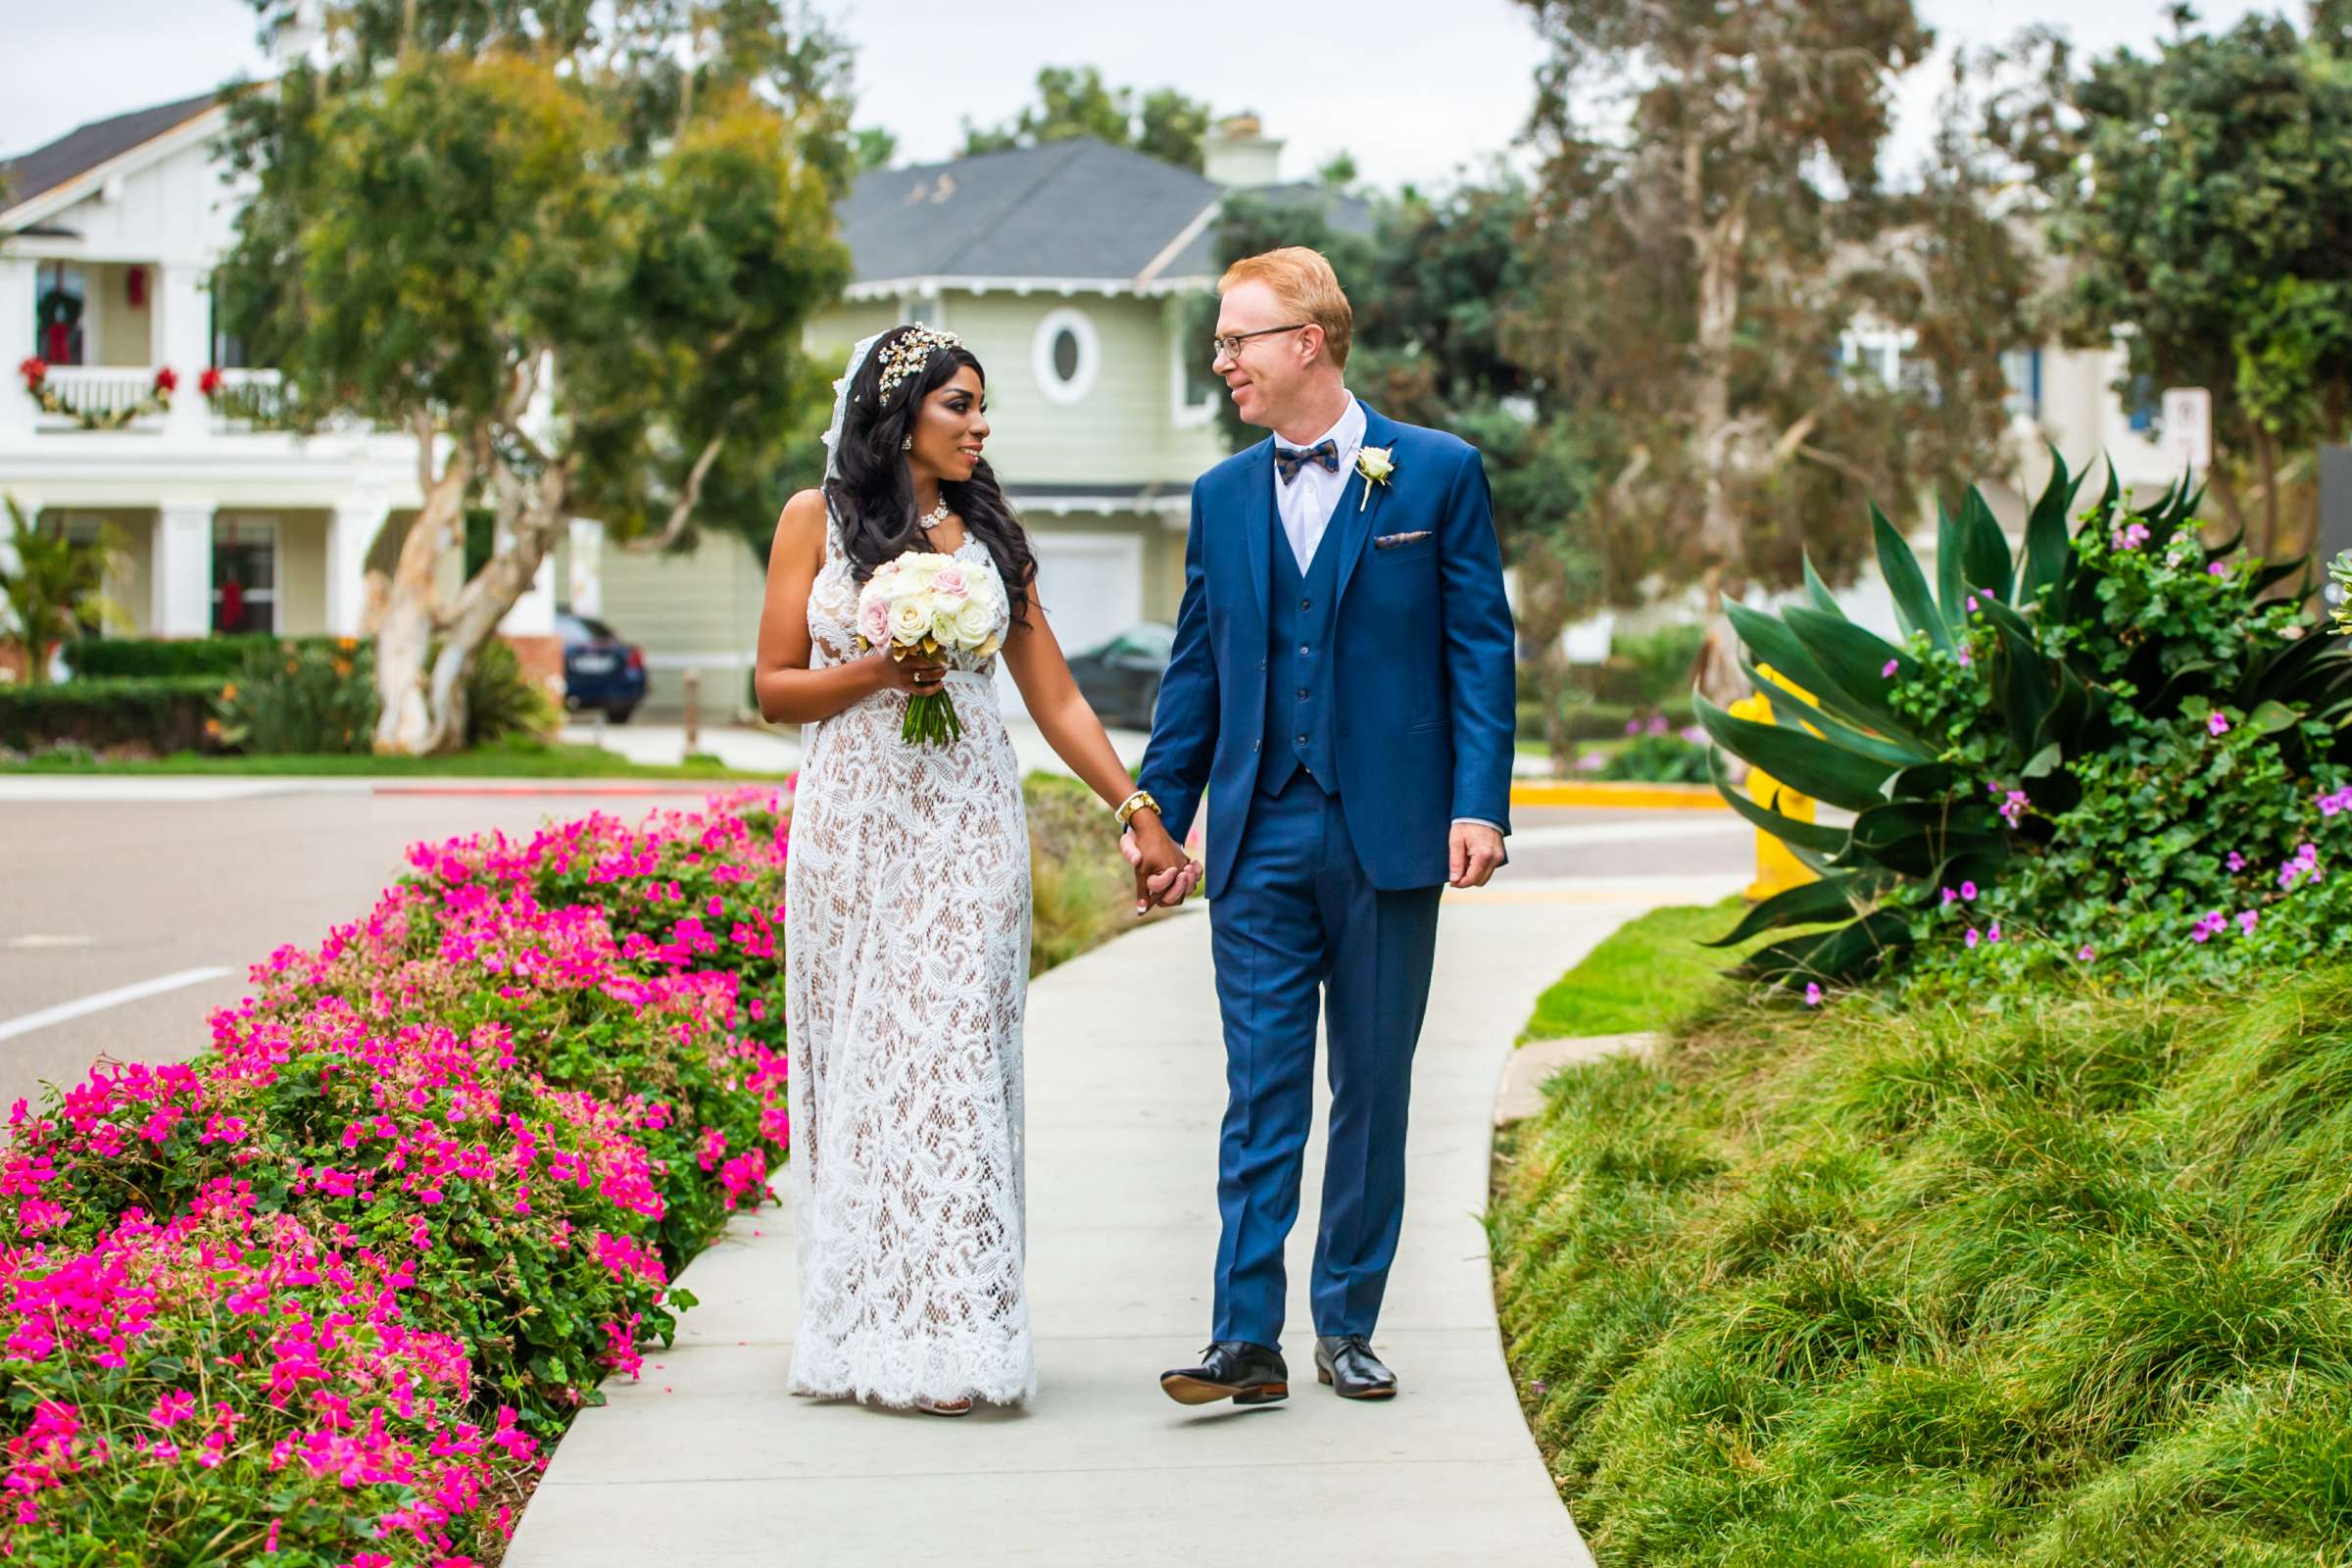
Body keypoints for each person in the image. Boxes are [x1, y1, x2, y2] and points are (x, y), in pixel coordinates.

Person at [753, 325, 1198, 1417]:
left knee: (950, 1061)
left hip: (967, 828)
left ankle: (958, 1328)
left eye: (984, 407)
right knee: (870, 1071)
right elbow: (771, 687)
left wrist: (1138, 811)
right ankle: (870, 1320)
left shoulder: (990, 530)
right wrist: (876, 668)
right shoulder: (813, 520)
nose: (980, 425)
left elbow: (1056, 700)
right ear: (899, 409)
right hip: (853, 831)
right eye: (960, 405)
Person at [1133, 247, 1516, 1406]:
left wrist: (1479, 802)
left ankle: (1346, 1321)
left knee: (1373, 1084)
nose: (1220, 361)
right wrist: (1159, 810)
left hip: (1389, 836)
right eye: (1218, 340)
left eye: (1235, 338)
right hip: (1256, 838)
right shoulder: (1220, 496)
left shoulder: (1437, 474)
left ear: (1307, 341)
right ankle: (1243, 1337)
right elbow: (1195, 670)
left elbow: (1480, 648)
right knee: (1262, 1092)